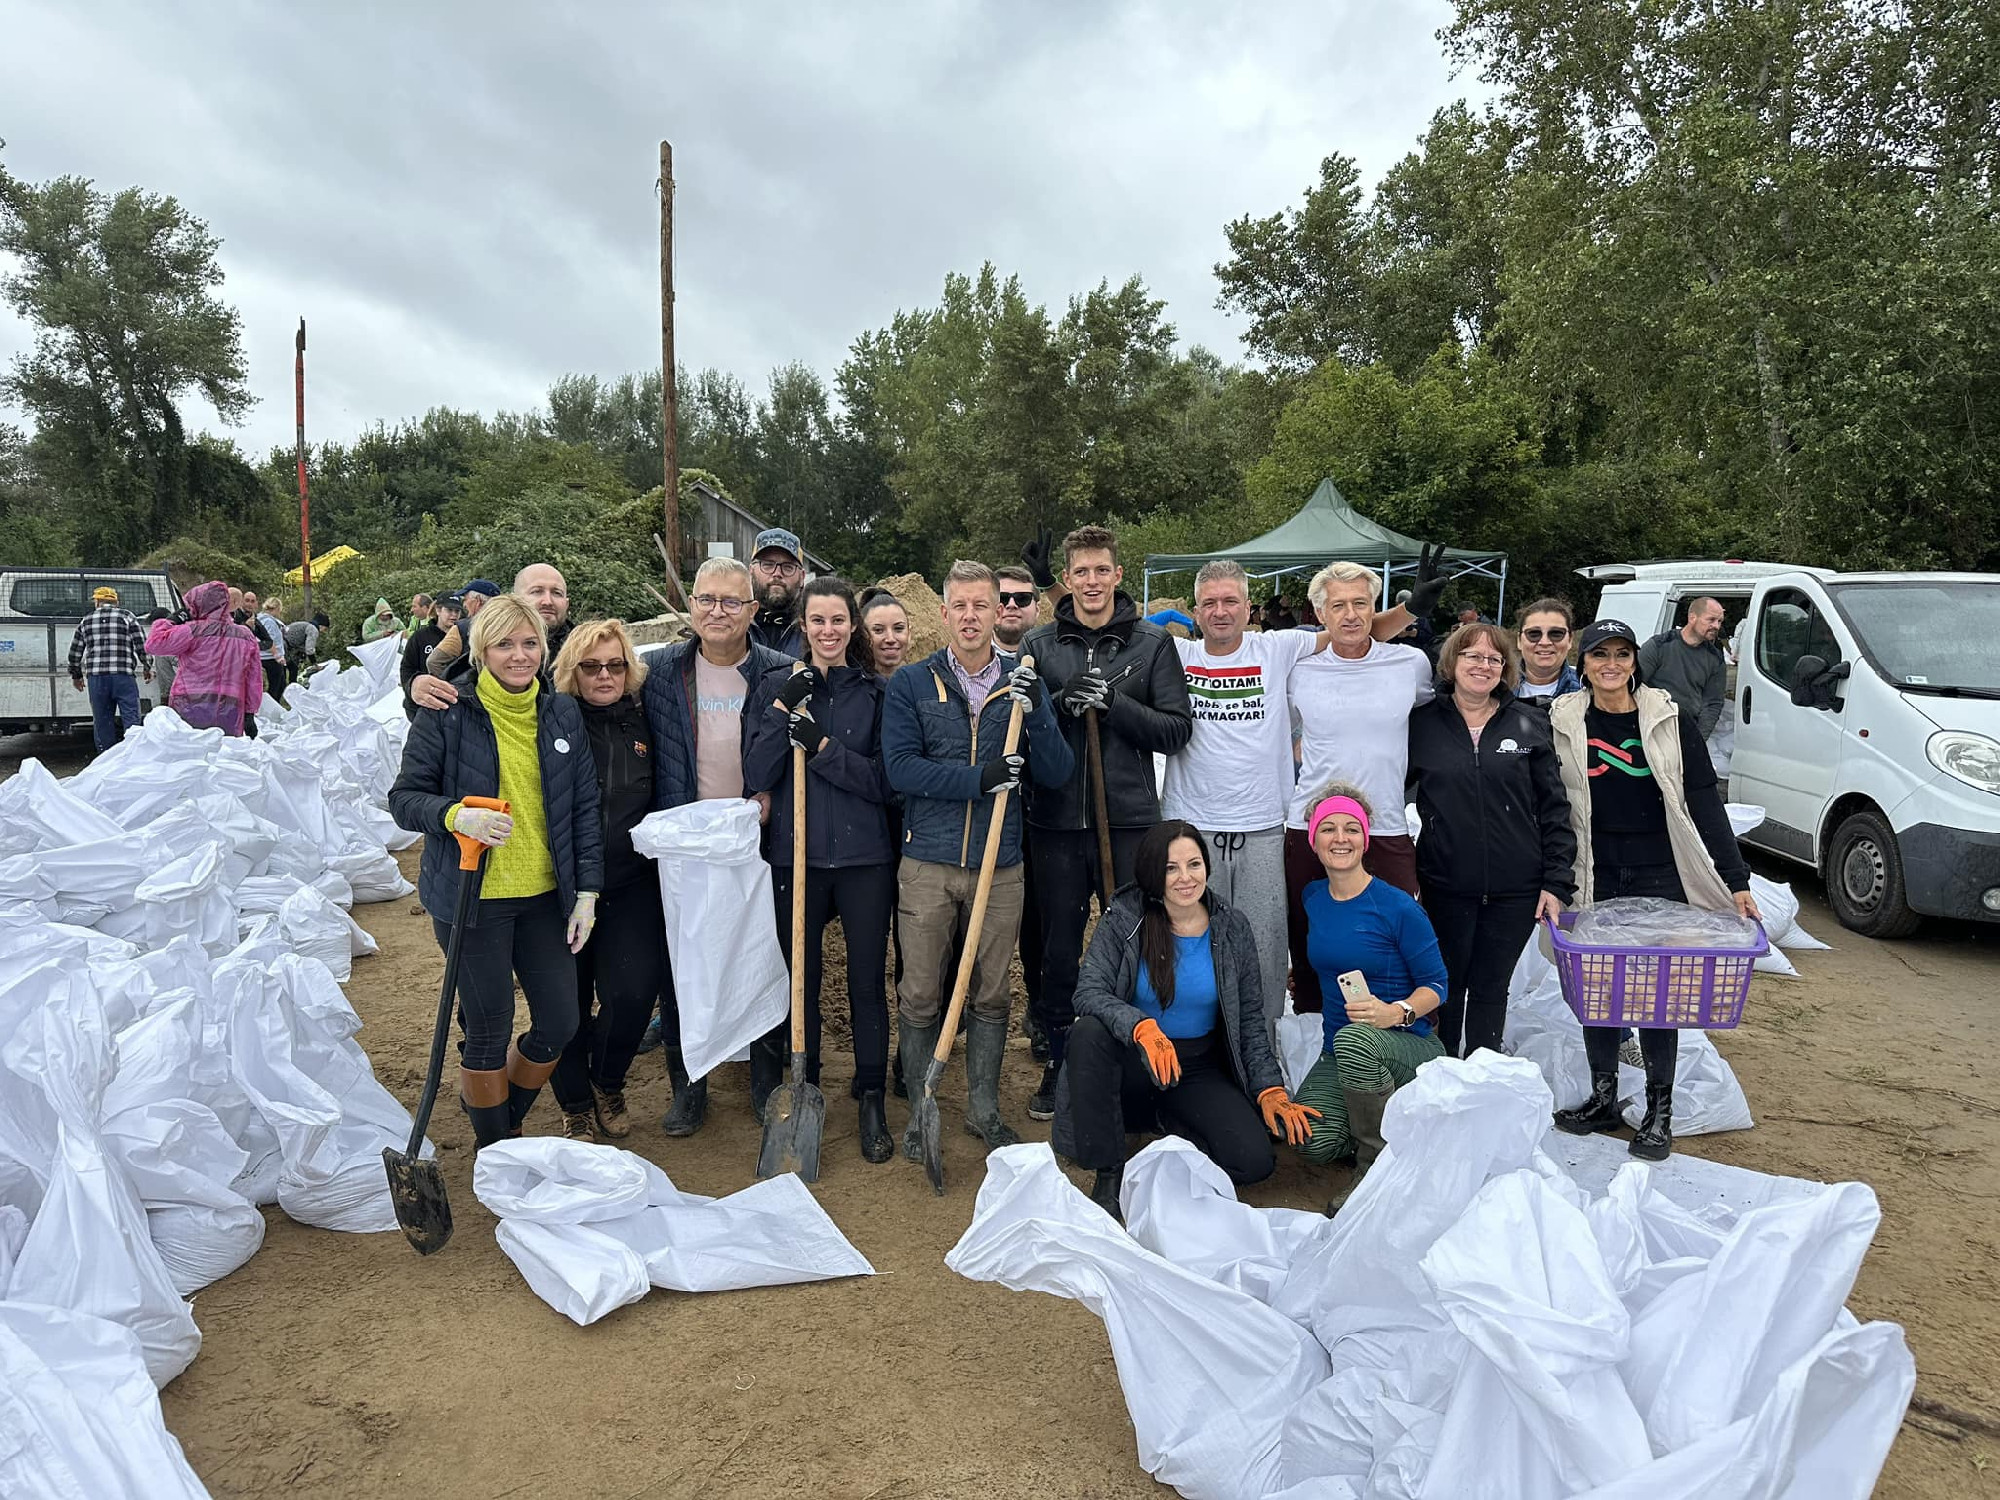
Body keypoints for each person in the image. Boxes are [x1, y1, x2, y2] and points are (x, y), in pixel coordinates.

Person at [1164, 559, 1448, 1040]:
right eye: (1210, 602)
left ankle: (1380, 1046)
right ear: (1195, 610)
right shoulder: (1188, 655)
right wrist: (1051, 586)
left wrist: (1408, 610)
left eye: (1231, 600)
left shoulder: (1287, 649)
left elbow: (1355, 631)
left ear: (1250, 607)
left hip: (1314, 824)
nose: (1221, 610)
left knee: (1296, 945)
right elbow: (1105, 617)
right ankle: (1233, 1044)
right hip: (1253, 824)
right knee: (1246, 940)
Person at [387, 592, 603, 1148]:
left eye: (530, 643)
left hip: (544, 897)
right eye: (504, 644)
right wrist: (457, 815)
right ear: (482, 650)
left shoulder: (560, 712)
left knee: (560, 1022)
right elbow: (405, 799)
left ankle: (502, 1113)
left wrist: (588, 893)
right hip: (470, 898)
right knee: (488, 1028)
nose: (519, 655)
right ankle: (496, 1148)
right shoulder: (447, 712)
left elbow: (582, 807)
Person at [883, 559, 1074, 1156]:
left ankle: (984, 1112)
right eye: (959, 606)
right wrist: (979, 779)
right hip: (928, 865)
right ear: (942, 614)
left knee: (992, 994)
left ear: (999, 613)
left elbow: (1058, 771)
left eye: (981, 606)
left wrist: (1038, 709)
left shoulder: (1023, 680)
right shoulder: (912, 684)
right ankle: (922, 1112)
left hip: (1001, 867)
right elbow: (900, 770)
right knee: (919, 994)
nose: (970, 617)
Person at [1549, 620, 1760, 1160]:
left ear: (1635, 662)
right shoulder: (1563, 719)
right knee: (1600, 991)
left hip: (1659, 873)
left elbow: (1704, 800)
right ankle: (1602, 1097)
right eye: (1600, 655)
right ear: (1585, 664)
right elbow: (1546, 804)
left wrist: (1736, 880)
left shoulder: (1668, 719)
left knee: (1659, 993)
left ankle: (1658, 1111)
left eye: (1622, 654)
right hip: (1595, 869)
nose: (1611, 664)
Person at [1050, 821, 1317, 1221]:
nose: (1184, 878)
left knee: (1253, 1162)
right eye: (1170, 868)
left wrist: (1269, 1089)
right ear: (1152, 872)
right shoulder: (1125, 918)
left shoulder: (1231, 926)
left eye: (1194, 864)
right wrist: (1141, 1027)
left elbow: (1248, 1020)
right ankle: (1109, 1174)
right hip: (1132, 1062)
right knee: (1088, 1032)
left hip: (1194, 1068)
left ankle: (1167, 1124)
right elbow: (1088, 993)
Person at [1021, 526, 1194, 1121]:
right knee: (1058, 948)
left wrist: (1114, 706)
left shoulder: (1151, 644)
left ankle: (1141, 1052)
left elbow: (1176, 729)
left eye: (1102, 571)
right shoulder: (1041, 645)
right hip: (1058, 822)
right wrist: (1057, 704)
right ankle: (1062, 1058)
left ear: (1119, 575)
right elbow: (1022, 724)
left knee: (1135, 941)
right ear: (1067, 579)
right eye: (1081, 572)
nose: (1091, 582)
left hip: (1128, 820)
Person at [744, 577, 899, 1161]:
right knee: (800, 978)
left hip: (864, 861)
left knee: (864, 981)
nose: (829, 631)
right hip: (796, 857)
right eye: (818, 621)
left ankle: (872, 1098)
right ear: (802, 627)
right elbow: (756, 771)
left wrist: (826, 749)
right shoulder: (775, 687)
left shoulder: (877, 693)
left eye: (839, 621)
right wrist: (786, 703)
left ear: (852, 627)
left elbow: (887, 782)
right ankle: (803, 1083)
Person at [639, 556, 794, 1135]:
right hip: (688, 845)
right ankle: (688, 1085)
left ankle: (765, 1082)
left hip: (757, 840)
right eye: (707, 599)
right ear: (691, 605)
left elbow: (804, 748)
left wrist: (776, 796)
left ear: (753, 610)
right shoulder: (656, 672)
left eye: (732, 602)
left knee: (763, 957)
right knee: (685, 966)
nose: (718, 612)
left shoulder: (783, 670)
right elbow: (574, 677)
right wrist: (435, 675)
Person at [1407, 623, 1577, 1057]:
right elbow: (1390, 792)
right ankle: (1439, 1074)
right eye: (1472, 657)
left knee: (1490, 987)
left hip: (1516, 889)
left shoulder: (1527, 722)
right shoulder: (1422, 724)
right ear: (1452, 664)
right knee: (1444, 985)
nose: (1482, 666)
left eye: (1493, 659)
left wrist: (1556, 883)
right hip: (1445, 884)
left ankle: (1483, 1074)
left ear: (1504, 670)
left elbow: (1556, 809)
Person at [1283, 560, 1434, 1012]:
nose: (1350, 615)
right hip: (1310, 824)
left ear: (1375, 608)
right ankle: (1314, 1030)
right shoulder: (1299, 670)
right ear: (1320, 615)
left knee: (1400, 931)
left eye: (1360, 604)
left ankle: (1405, 1034)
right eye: (1338, 606)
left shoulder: (1410, 663)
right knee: (1310, 935)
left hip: (1384, 823)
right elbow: (1290, 733)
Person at [1290, 783, 1449, 1205]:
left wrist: (1395, 1013)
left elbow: (1437, 986)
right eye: (1328, 829)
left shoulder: (1397, 907)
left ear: (1365, 838)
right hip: (1339, 1051)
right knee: (1313, 1141)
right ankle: (1396, 1123)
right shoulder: (1313, 898)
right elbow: (1331, 954)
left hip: (1408, 1044)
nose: (1340, 839)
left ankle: (1376, 1170)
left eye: (1350, 829)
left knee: (1356, 1039)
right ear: (1313, 839)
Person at [544, 619, 663, 1144]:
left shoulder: (645, 719)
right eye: (591, 666)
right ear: (573, 671)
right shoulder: (551, 720)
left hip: (630, 879)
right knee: (566, 1002)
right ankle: (573, 1105)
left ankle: (606, 1080)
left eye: (615, 664)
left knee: (634, 993)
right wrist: (423, 682)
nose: (604, 675)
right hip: (562, 885)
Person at [409, 565, 575, 708]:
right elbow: (434, 663)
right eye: (536, 591)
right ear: (515, 597)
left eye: (557, 593)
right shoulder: (467, 629)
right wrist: (422, 686)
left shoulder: (582, 643)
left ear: (566, 603)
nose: (547, 601)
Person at [146, 582, 262, 735]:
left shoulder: (192, 630)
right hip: (230, 706)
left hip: (188, 703)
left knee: (189, 753)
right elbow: (253, 678)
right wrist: (249, 712)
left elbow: (153, 644)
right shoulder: (245, 636)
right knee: (225, 754)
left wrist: (173, 619)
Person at [68, 585, 150, 753]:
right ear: (116, 602)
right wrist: (147, 665)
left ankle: (105, 759)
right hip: (123, 676)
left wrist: (76, 675)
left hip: (97, 678)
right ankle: (134, 756)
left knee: (102, 720)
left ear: (97, 602)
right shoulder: (127, 616)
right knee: (131, 717)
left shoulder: (86, 620)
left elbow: (75, 651)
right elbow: (141, 644)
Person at [1639, 596, 1728, 739]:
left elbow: (1713, 703)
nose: (1716, 626)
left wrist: (1698, 740)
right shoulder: (1659, 645)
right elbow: (1633, 687)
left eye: (1719, 621)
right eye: (1711, 620)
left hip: (1685, 730)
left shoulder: (1715, 659)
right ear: (1692, 618)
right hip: (1650, 727)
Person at [749, 527, 808, 658]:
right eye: (768, 565)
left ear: (802, 577)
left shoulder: (815, 632)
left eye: (788, 567)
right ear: (751, 571)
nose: (777, 573)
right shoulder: (734, 627)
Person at [1514, 597, 1583, 707]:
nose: (1544, 642)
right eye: (1534, 634)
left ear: (1570, 640)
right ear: (1519, 640)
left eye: (1556, 634)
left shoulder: (1589, 690)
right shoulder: (1495, 687)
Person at [402, 595, 460, 718]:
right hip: (424, 706)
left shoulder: (464, 637)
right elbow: (407, 668)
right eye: (449, 610)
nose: (454, 615)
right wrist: (412, 691)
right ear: (438, 610)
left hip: (455, 704)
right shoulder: (420, 637)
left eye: (457, 611)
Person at [425, 578, 499, 672]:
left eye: (465, 599)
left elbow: (434, 662)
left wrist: (453, 685)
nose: (463, 605)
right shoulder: (512, 623)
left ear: (478, 601)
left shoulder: (462, 628)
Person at [859, 589, 912, 677]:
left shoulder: (923, 683)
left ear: (909, 633)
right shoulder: (849, 686)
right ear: (864, 635)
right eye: (879, 630)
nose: (890, 639)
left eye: (898, 628)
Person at [255, 596, 288, 701]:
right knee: (276, 687)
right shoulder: (269, 621)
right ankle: (272, 707)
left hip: (263, 657)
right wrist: (278, 656)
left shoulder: (259, 619)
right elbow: (270, 640)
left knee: (276, 685)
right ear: (277, 608)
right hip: (271, 658)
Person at [281, 606, 320, 685]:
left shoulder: (304, 625)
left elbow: (300, 644)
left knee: (292, 667)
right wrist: (315, 664)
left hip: (282, 644)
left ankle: (289, 687)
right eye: (324, 629)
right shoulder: (313, 629)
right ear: (322, 626)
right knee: (287, 669)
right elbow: (309, 649)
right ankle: (286, 689)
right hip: (284, 646)